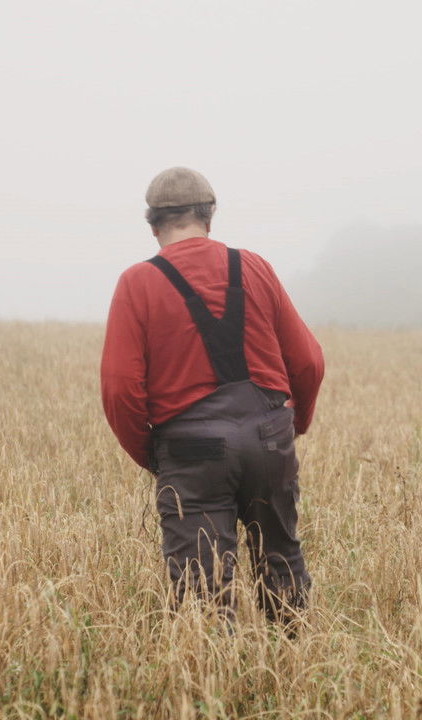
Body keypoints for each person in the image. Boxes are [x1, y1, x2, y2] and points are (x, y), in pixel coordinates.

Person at [100, 167, 324, 626]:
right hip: (269, 436)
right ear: (210, 216)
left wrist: (155, 456)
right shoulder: (255, 267)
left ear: (152, 224)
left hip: (189, 449)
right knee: (281, 564)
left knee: (202, 590)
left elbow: (120, 388)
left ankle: (214, 691)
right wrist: (288, 429)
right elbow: (309, 363)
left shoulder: (136, 283)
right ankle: (296, 670)